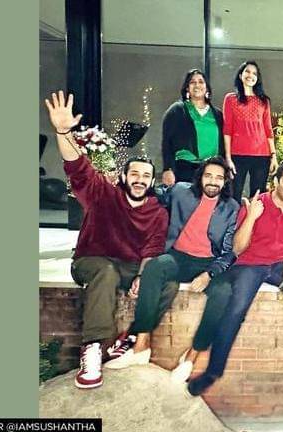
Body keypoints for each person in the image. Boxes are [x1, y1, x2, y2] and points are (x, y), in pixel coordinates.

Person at [43, 91, 169, 389]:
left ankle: (130, 338)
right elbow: (77, 166)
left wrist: (143, 276)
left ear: (152, 182)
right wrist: (63, 132)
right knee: (106, 271)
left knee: (168, 280)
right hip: (91, 261)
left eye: (146, 176)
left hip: (128, 265)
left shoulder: (157, 212)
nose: (139, 179)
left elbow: (152, 249)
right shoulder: (103, 194)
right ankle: (93, 347)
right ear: (123, 177)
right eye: (134, 173)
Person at [186, 162, 283, 396]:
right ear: (275, 182)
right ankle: (213, 372)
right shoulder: (256, 204)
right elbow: (237, 247)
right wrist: (252, 217)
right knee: (236, 309)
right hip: (251, 264)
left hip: (281, 265)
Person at [103, 157, 240, 374]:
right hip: (178, 256)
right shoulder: (180, 192)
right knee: (154, 268)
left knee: (224, 293)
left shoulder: (231, 207)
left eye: (219, 178)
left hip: (208, 262)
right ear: (200, 178)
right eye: (208, 176)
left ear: (225, 182)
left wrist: (209, 274)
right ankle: (141, 345)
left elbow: (229, 251)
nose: (213, 182)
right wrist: (115, 185)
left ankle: (191, 357)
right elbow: (150, 192)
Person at [222, 60, 278, 203]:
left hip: (262, 155)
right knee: (233, 195)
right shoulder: (230, 99)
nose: (250, 75)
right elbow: (227, 130)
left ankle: (255, 219)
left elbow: (268, 130)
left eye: (254, 73)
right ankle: (234, 218)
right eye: (247, 71)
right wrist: (228, 157)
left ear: (257, 78)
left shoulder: (264, 101)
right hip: (237, 155)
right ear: (240, 75)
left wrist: (273, 156)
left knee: (258, 197)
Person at [161, 69, 224, 185]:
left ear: (207, 87)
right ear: (187, 88)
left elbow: (224, 144)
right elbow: (167, 142)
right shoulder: (177, 110)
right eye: (192, 82)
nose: (197, 85)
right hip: (185, 169)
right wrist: (167, 169)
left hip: (211, 170)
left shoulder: (218, 114)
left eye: (201, 82)